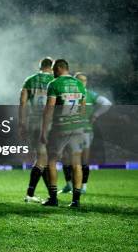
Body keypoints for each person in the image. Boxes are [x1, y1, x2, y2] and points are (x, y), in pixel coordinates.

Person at [40, 59, 86, 208]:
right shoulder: (79, 84)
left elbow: (49, 109)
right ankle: (76, 201)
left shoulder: (54, 84)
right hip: (77, 128)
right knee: (76, 164)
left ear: (60, 68)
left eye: (54, 70)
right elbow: (83, 109)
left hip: (60, 128)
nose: (52, 73)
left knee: (51, 161)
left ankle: (53, 199)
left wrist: (44, 130)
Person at [59, 72, 112, 194]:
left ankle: (82, 187)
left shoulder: (87, 94)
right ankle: (70, 185)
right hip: (71, 130)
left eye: (85, 80)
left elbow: (107, 103)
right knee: (66, 158)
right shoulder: (74, 94)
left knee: (81, 159)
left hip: (83, 131)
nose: (83, 83)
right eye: (80, 80)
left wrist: (95, 114)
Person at [20, 57, 54, 203]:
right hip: (49, 123)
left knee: (43, 158)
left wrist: (21, 123)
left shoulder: (30, 80)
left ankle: (52, 196)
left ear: (40, 66)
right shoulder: (55, 80)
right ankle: (29, 193)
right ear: (51, 67)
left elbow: (22, 102)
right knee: (42, 159)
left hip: (33, 121)